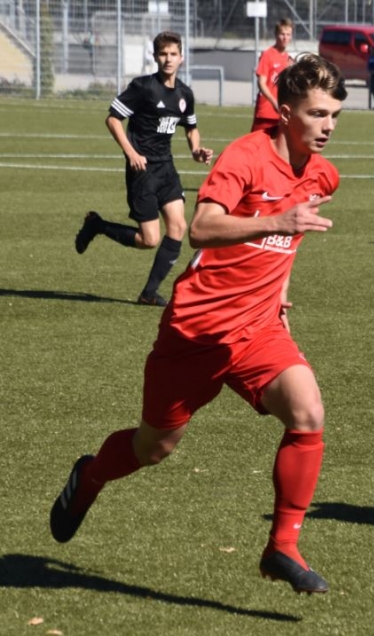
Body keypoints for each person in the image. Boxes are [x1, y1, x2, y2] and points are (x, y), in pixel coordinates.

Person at [49, 54, 349, 594]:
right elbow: (203, 228)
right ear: (285, 113)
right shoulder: (246, 156)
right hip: (197, 329)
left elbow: (291, 241)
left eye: (334, 116)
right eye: (317, 114)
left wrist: (280, 290)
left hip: (257, 330)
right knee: (154, 448)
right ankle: (89, 476)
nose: (328, 126)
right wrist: (278, 220)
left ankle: (282, 547)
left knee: (308, 413)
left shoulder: (324, 174)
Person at [74, 31, 213, 307]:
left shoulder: (185, 94)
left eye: (173, 54)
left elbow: (191, 128)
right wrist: (131, 152)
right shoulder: (143, 87)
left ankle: (149, 293)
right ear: (155, 57)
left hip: (167, 169)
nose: (168, 59)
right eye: (163, 54)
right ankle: (97, 225)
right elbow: (113, 120)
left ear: (182, 58)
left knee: (178, 227)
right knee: (149, 240)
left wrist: (197, 150)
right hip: (143, 171)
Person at [252, 18, 295, 133]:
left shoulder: (288, 59)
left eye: (288, 34)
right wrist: (274, 102)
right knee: (257, 141)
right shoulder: (268, 55)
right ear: (276, 35)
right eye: (282, 34)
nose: (285, 38)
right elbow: (261, 83)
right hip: (267, 110)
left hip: (281, 111)